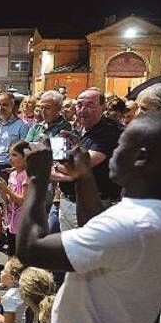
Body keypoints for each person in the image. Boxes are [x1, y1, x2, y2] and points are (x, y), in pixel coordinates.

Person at [16, 113, 161, 323]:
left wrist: (38, 178)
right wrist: (84, 178)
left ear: (141, 157)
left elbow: (31, 250)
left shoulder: (133, 224)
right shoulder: (160, 216)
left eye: (121, 145)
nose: (113, 152)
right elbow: (96, 236)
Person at [52, 89, 122, 231]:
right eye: (79, 105)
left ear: (103, 107)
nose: (83, 110)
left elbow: (80, 167)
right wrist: (63, 169)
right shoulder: (73, 129)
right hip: (66, 201)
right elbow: (54, 163)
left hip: (92, 205)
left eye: (90, 105)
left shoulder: (109, 131)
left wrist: (61, 168)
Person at [0, 92, 30, 196]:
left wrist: (16, 167)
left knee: (7, 202)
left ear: (12, 106)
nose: (0, 107)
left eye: (5, 105)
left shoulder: (22, 125)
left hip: (8, 169)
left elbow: (25, 150)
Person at [0, 141, 30, 256]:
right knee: (12, 254)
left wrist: (6, 190)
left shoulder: (28, 175)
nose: (11, 159)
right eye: (10, 155)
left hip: (24, 223)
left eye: (15, 155)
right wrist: (2, 190)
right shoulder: (13, 174)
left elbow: (22, 201)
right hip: (12, 221)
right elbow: (8, 199)